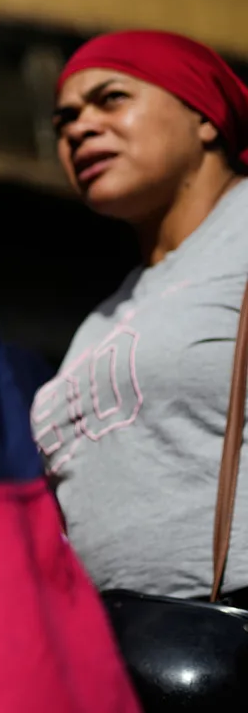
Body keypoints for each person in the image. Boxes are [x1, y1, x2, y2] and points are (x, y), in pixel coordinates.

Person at [34, 30, 248, 599]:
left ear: (204, 117)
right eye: (64, 121)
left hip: (229, 640)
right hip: (119, 658)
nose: (78, 128)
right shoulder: (105, 317)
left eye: (111, 98)